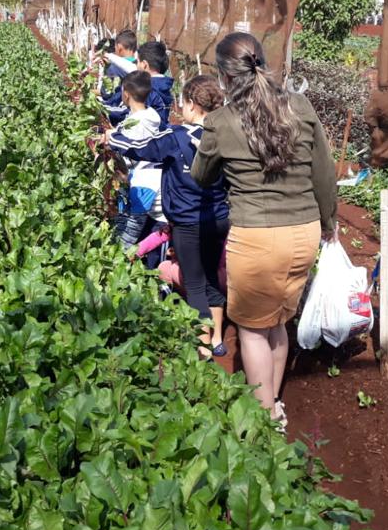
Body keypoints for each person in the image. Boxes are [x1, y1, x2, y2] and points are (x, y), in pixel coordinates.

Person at [191, 32, 336, 426]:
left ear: (223, 75)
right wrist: (329, 223)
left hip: (256, 238)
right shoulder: (300, 106)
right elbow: (323, 173)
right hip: (304, 231)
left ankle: (265, 416)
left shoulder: (221, 122)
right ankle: (274, 401)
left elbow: (201, 176)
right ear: (264, 62)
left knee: (253, 331)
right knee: (278, 323)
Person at [109, 75, 230, 357]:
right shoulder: (227, 137)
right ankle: (218, 340)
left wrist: (111, 137)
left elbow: (140, 149)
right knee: (212, 277)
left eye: (184, 102)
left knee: (195, 282)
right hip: (219, 218)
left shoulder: (177, 137)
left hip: (188, 223)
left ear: (191, 104)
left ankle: (203, 349)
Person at [106, 70, 162, 249]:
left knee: (130, 229)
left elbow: (130, 153)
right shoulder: (147, 116)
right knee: (125, 216)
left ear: (126, 93)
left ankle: (120, 255)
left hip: (142, 182)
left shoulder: (137, 124)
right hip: (135, 179)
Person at [106, 40, 174, 127]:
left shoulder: (148, 89)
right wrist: (109, 56)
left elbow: (129, 114)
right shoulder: (162, 86)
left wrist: (102, 109)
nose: (136, 66)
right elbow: (130, 68)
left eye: (137, 62)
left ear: (144, 65)